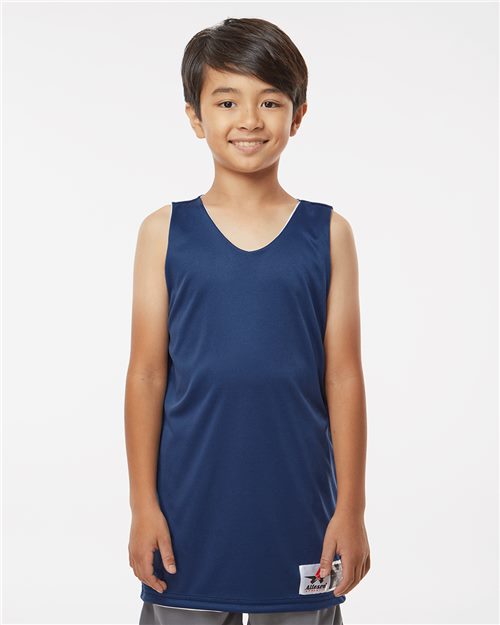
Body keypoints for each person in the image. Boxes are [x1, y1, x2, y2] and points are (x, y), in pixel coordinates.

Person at [125, 16, 370, 625]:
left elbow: (343, 377)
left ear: (298, 115)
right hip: (187, 513)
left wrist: (352, 510)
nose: (250, 120)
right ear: (195, 116)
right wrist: (142, 505)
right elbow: (148, 375)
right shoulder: (164, 232)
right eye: (227, 101)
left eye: (270, 101)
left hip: (300, 509)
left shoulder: (329, 233)